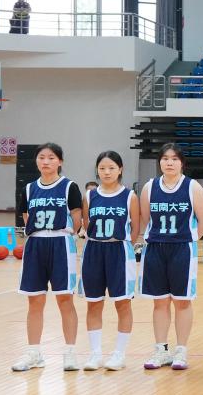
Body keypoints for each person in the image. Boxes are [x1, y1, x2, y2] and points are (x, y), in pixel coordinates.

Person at [12, 143, 83, 372]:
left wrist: (65, 233)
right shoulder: (29, 189)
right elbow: (26, 216)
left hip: (61, 243)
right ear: (36, 161)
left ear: (60, 161)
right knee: (35, 301)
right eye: (41, 157)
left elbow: (77, 218)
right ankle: (34, 354)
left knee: (65, 299)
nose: (46, 161)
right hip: (35, 244)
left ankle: (70, 353)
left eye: (51, 157)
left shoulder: (69, 187)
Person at [141, 143, 203, 370]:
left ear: (182, 163)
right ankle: (161, 350)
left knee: (182, 301)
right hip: (156, 248)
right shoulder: (150, 187)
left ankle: (181, 351)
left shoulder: (192, 187)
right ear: (159, 162)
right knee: (160, 302)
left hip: (182, 248)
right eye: (165, 158)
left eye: (174, 159)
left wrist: (190, 238)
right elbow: (145, 219)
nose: (169, 163)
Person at [79, 152, 139, 371]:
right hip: (94, 250)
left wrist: (123, 245)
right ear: (97, 170)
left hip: (119, 251)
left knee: (123, 303)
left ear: (120, 169)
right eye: (102, 168)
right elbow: (86, 224)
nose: (106, 172)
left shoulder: (130, 196)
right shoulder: (89, 195)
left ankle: (119, 354)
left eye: (111, 168)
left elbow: (135, 228)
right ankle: (95, 354)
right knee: (94, 303)